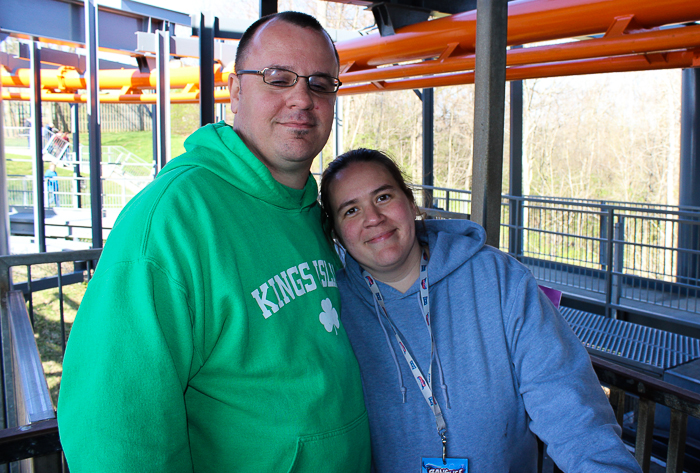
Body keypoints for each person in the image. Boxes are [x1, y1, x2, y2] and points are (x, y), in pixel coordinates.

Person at [57, 12, 370, 473]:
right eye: (278, 78)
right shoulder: (170, 219)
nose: (302, 98)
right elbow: (114, 429)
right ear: (236, 90)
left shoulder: (311, 211)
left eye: (321, 84)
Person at [319, 148, 642, 473]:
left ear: (410, 201)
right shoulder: (333, 309)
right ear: (336, 233)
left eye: (384, 197)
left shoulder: (499, 278)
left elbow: (566, 401)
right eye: (351, 211)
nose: (373, 218)